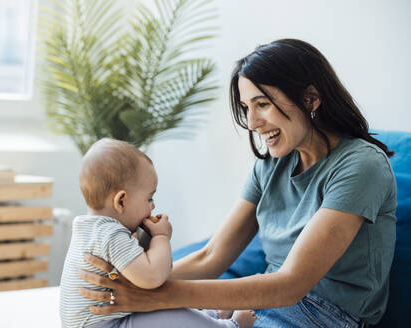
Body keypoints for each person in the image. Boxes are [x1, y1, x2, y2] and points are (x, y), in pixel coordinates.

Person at [78, 39, 397, 328]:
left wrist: (160, 296)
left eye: (262, 104)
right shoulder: (271, 164)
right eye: (246, 108)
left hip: (326, 316)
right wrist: (129, 286)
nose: (253, 123)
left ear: (310, 99)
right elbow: (212, 255)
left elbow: (292, 284)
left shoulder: (361, 165)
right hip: (262, 304)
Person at [60, 138, 257, 328]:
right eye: (149, 198)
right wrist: (161, 237)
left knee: (161, 305)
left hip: (100, 320)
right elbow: (154, 278)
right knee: (167, 311)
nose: (153, 206)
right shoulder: (111, 235)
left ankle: (212, 315)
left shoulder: (89, 229)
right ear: (121, 201)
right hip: (110, 324)